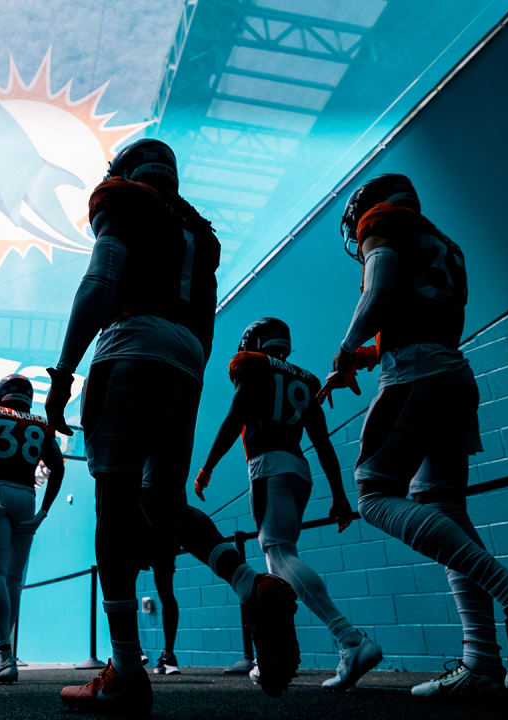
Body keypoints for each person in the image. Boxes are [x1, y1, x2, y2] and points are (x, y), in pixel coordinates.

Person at [45, 138, 301, 713]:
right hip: (185, 362)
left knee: (114, 505)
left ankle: (127, 670)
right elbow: (206, 328)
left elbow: (100, 282)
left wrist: (63, 372)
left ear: (128, 172)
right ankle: (250, 584)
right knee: (162, 502)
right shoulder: (197, 233)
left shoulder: (124, 202)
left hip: (131, 347)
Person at [321, 174, 508, 698]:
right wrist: (372, 353)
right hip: (450, 372)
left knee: (372, 496)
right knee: (443, 506)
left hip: (416, 376)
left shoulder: (382, 222)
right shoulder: (443, 242)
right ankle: (480, 659)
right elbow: (422, 308)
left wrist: (348, 349)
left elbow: (381, 289)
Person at [195, 318, 382, 690]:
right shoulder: (306, 378)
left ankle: (350, 638)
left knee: (279, 555)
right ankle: (274, 660)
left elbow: (236, 417)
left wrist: (208, 465)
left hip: (269, 466)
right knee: (280, 568)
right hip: (300, 470)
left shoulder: (254, 367)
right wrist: (340, 495)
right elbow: (323, 442)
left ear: (255, 342)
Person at [0, 374, 65, 684]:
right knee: (14, 580)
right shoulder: (42, 424)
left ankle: (4, 656)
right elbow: (58, 467)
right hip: (27, 496)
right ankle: (2, 654)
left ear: (0, 394)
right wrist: (45, 510)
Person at [141, 520, 180, 676]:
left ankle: (134, 651)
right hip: (164, 533)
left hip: (142, 529)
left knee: (125, 588)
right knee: (167, 595)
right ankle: (168, 656)